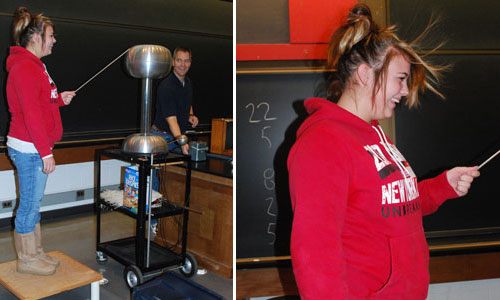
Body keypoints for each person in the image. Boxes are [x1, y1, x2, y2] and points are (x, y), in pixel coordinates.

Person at [287, 4, 480, 299]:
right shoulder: (323, 143)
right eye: (400, 78)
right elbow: (315, 253)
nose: (404, 91)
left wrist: (443, 186)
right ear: (365, 74)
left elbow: (392, 207)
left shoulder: (374, 133)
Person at [6, 6, 75, 276]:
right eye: (51, 35)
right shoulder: (25, 67)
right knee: (29, 205)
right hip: (30, 148)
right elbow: (31, 114)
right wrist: (45, 152)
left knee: (34, 203)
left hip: (34, 147)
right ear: (35, 37)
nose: (54, 40)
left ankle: (35, 253)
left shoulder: (36, 66)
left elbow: (39, 101)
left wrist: (59, 99)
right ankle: (27, 260)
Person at [151, 47, 198, 192]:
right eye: (179, 60)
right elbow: (171, 120)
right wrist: (182, 141)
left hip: (177, 137)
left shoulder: (187, 82)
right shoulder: (167, 86)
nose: (182, 64)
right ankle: (154, 214)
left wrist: (191, 115)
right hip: (162, 138)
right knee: (155, 179)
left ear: (190, 62)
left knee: (175, 180)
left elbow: (187, 102)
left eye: (186, 61)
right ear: (173, 62)